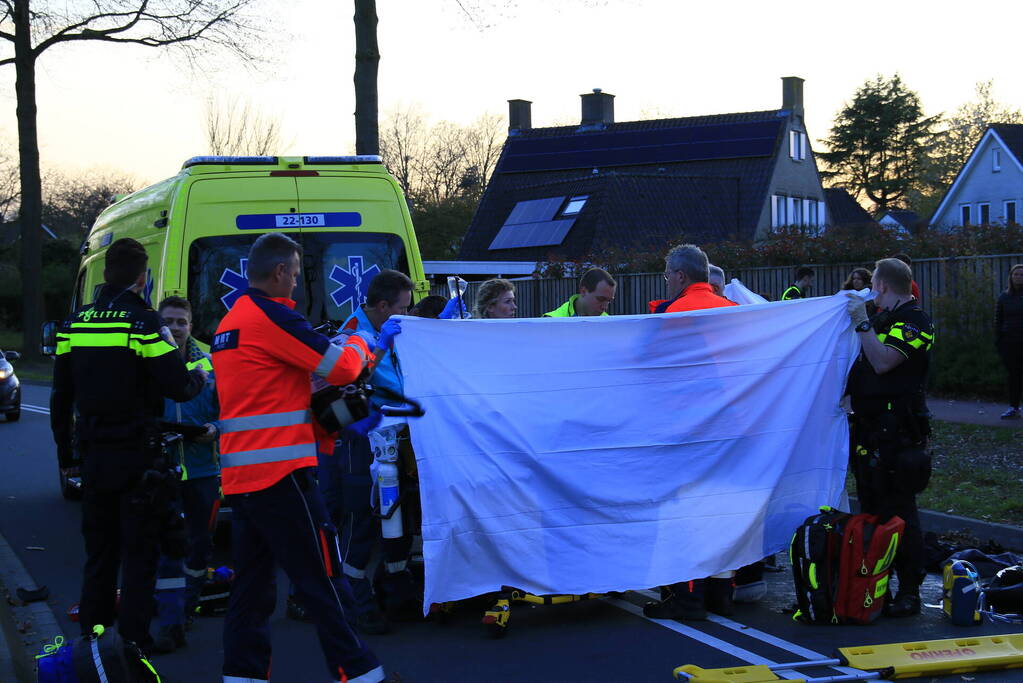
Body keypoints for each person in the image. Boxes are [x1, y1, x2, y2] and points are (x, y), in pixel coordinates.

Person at [211, 232, 389, 683]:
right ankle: (362, 673)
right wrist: (362, 342)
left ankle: (243, 676)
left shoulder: (230, 322)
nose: (296, 284)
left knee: (251, 589)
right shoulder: (270, 317)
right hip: (283, 474)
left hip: (244, 476)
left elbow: (264, 393)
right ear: (279, 272)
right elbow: (344, 367)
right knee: (323, 577)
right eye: (294, 274)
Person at [50, 238, 207, 662]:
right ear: (142, 277)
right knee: (139, 557)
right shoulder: (142, 323)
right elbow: (177, 384)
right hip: (138, 456)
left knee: (100, 555)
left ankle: (94, 643)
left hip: (94, 456)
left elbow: (61, 397)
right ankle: (132, 647)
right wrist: (198, 376)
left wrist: (66, 457)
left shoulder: (75, 323)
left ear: (105, 274)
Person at [643, 244, 738, 621]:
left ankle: (688, 599)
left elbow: (649, 369)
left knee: (685, 514)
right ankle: (721, 595)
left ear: (681, 276)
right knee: (725, 511)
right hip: (732, 429)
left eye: (667, 275)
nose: (666, 282)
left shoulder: (672, 315)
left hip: (688, 429)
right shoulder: (735, 312)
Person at [845, 257, 934, 618]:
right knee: (871, 509)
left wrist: (862, 322)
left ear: (882, 285)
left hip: (899, 435)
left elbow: (883, 362)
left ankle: (909, 590)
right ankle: (873, 586)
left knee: (900, 512)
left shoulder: (915, 321)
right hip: (869, 431)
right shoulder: (884, 319)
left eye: (873, 286)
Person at [335, 270, 419, 634]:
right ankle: (353, 601)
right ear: (383, 306)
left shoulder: (386, 329)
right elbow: (350, 381)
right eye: (402, 308)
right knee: (361, 518)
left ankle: (395, 591)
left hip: (393, 436)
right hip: (361, 438)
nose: (406, 315)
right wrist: (381, 345)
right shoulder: (352, 334)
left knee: (395, 516)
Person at [151, 296, 222, 654]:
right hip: (163, 471)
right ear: (160, 326)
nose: (176, 328)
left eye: (182, 321)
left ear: (191, 326)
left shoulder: (210, 364)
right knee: (168, 549)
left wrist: (214, 427)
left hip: (203, 471)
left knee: (199, 547)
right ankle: (170, 622)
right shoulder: (149, 364)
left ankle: (188, 605)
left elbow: (230, 412)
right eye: (169, 321)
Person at [995, 263, 1023, 419]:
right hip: (1010, 343)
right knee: (1013, 376)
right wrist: (999, 341)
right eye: (1016, 274)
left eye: (1021, 274)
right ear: (1011, 277)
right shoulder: (1004, 297)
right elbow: (999, 320)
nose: (1018, 277)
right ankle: (1013, 407)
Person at [544, 268, 616, 317]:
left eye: (609, 301)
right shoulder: (549, 322)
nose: (605, 307)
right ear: (583, 291)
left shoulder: (607, 323)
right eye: (601, 299)